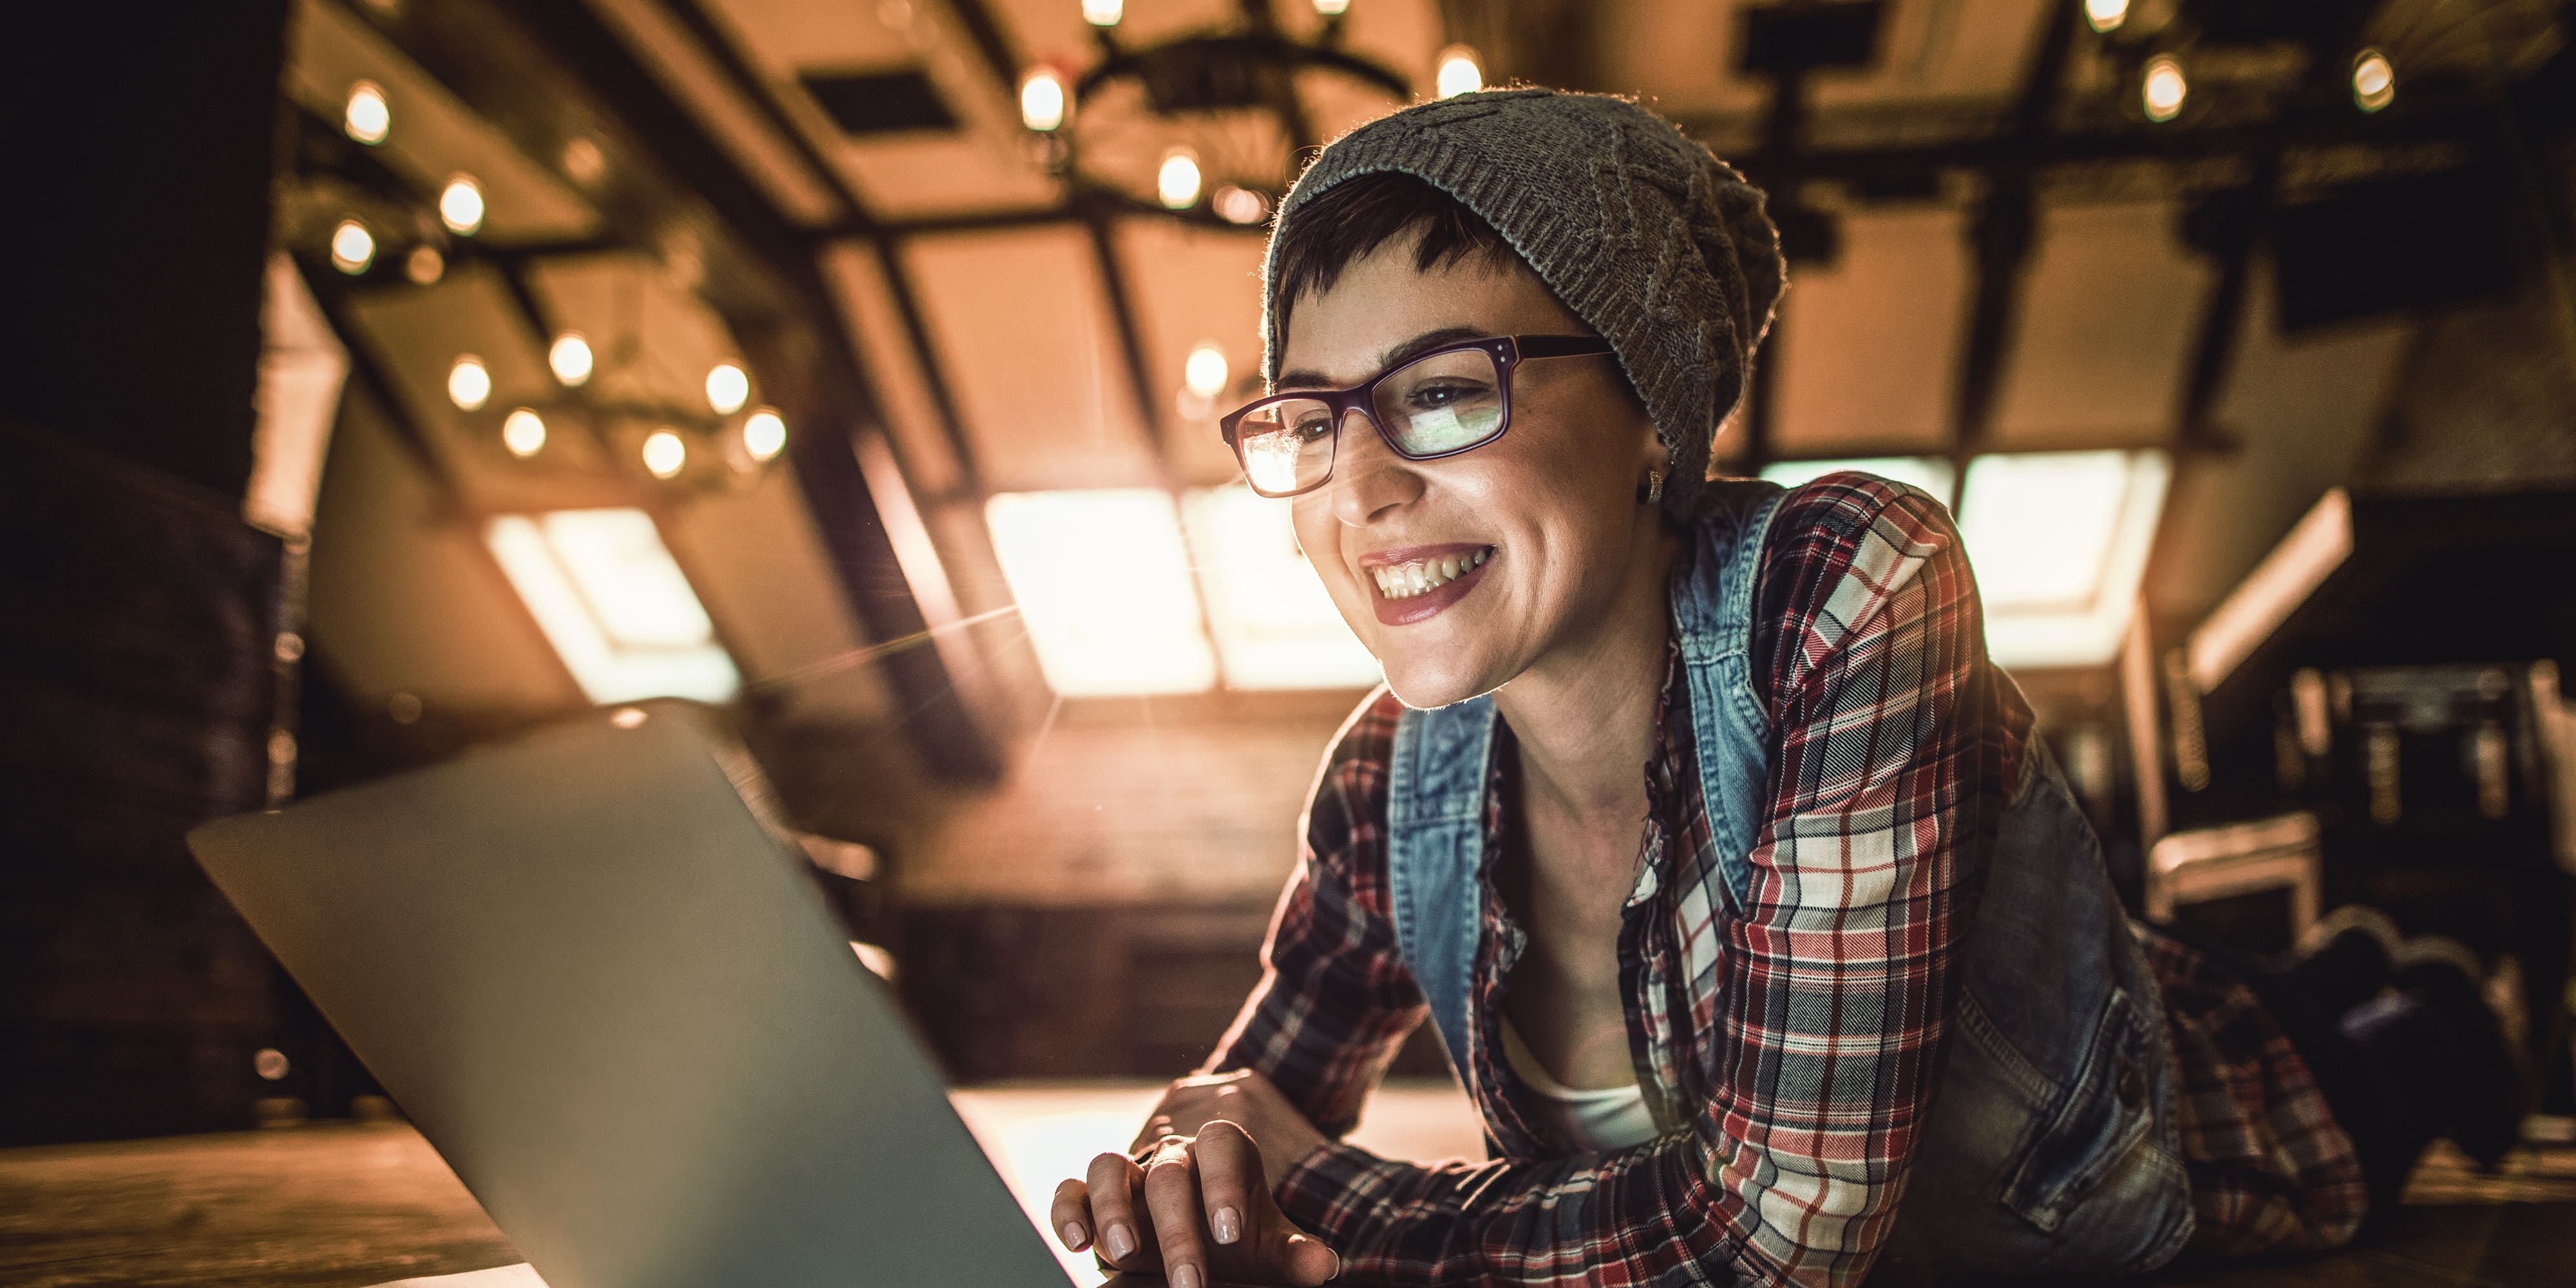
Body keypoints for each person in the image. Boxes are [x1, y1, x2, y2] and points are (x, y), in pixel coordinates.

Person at [1045, 88, 2525, 1287]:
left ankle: (2426, 1002)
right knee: (2227, 969)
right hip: (2045, 982)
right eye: (1309, 416)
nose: (1358, 487)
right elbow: (1238, 1128)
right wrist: (1186, 1200)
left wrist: (1317, 1193)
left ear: (1651, 412)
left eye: (1440, 390)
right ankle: (2330, 969)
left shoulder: (1845, 586)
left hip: (2165, 1150)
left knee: (2390, 1049)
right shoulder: (1386, 782)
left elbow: (1775, 1240)